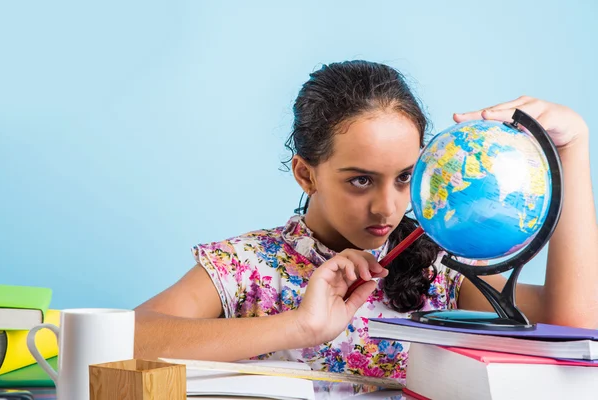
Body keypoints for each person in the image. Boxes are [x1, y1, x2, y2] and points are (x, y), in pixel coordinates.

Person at [134, 60, 597, 382]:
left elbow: (574, 325)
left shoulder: (439, 267)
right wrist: (300, 327)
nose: (387, 208)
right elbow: (126, 338)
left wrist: (573, 150)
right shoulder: (247, 266)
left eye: (405, 178)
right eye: (360, 181)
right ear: (306, 174)